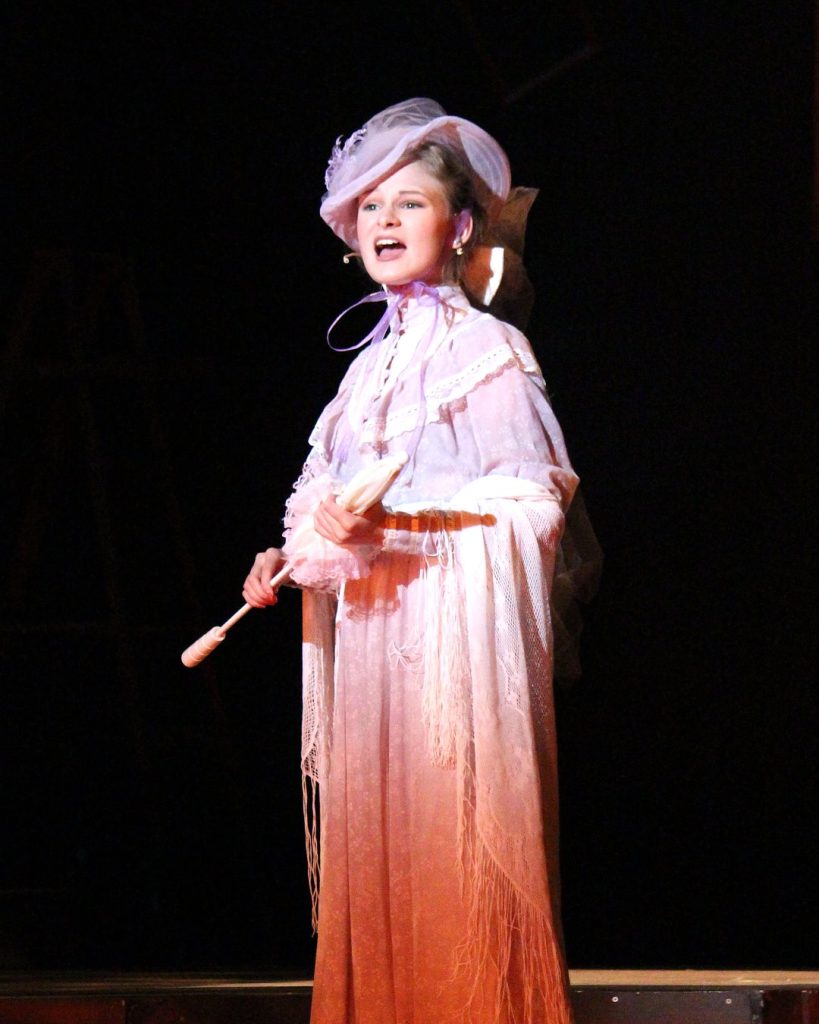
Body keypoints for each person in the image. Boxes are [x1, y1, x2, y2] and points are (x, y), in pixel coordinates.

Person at [243, 98, 599, 1024]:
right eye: (369, 208)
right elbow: (325, 501)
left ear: (462, 224)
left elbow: (532, 505)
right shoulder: (365, 369)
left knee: (453, 867)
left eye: (407, 203)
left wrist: (402, 525)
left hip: (450, 669)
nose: (384, 223)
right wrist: (292, 556)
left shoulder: (486, 351)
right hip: (371, 661)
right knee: (386, 867)